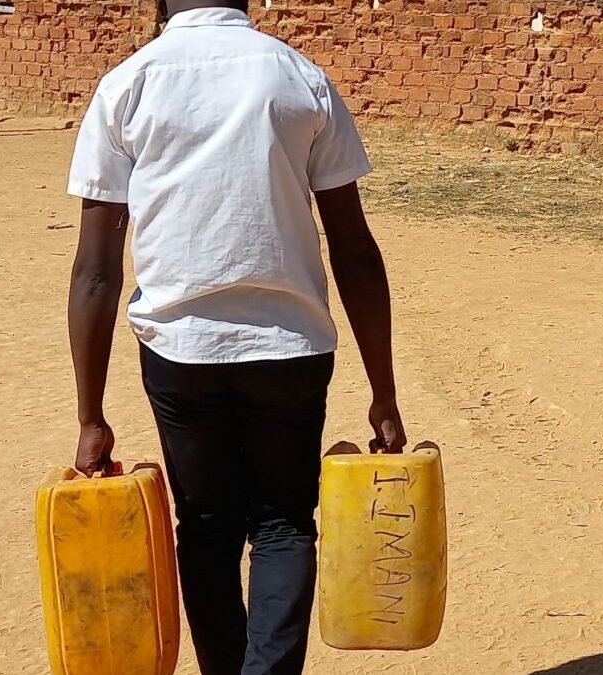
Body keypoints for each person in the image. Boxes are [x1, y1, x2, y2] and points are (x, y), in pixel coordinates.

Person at [65, 0, 406, 673]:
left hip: (179, 352)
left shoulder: (127, 85)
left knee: (208, 530)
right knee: (283, 522)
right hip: (291, 349)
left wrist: (90, 415)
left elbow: (96, 271)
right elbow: (355, 251)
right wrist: (384, 393)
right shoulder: (299, 78)